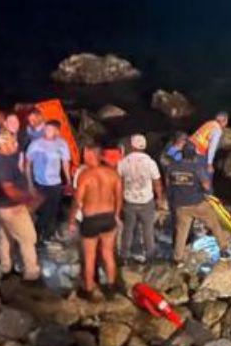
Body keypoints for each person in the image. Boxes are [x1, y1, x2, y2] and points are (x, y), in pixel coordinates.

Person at [0, 130, 40, 281]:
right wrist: (28, 198)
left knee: (5, 235)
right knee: (28, 238)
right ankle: (31, 273)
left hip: (3, 205)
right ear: (4, 146)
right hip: (11, 207)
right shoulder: (1, 165)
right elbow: (9, 190)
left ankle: (5, 265)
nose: (16, 145)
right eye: (13, 143)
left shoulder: (9, 157)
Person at [67, 146, 122, 296]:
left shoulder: (85, 175)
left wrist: (71, 221)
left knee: (89, 257)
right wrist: (117, 215)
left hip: (91, 219)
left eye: (86, 154)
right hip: (108, 217)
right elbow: (119, 197)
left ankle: (89, 289)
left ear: (92, 155)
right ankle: (110, 288)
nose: (84, 157)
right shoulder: (113, 174)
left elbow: (77, 201)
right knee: (108, 254)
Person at [163, 142, 231, 259]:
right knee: (214, 224)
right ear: (194, 155)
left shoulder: (171, 167)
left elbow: (168, 185)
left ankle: (177, 258)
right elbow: (206, 185)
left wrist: (171, 200)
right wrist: (209, 194)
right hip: (197, 203)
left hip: (180, 205)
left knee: (181, 233)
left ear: (182, 154)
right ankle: (223, 249)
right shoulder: (196, 168)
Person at [118, 134, 162, 262]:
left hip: (129, 201)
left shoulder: (123, 162)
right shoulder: (150, 162)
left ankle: (124, 256)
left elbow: (119, 184)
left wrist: (119, 201)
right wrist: (159, 198)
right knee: (148, 230)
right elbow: (157, 182)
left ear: (132, 146)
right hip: (146, 201)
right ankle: (150, 256)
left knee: (128, 230)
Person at [26, 120, 71, 240]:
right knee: (41, 211)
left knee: (52, 211)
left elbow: (65, 163)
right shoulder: (36, 144)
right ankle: (35, 235)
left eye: (50, 129)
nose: (47, 131)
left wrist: (68, 181)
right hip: (40, 183)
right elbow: (27, 165)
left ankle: (46, 236)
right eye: (45, 129)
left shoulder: (62, 144)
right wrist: (30, 184)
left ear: (57, 131)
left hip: (55, 183)